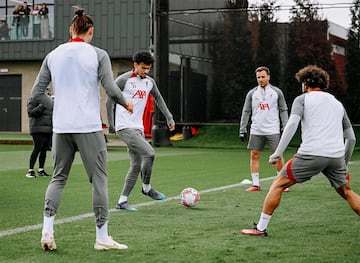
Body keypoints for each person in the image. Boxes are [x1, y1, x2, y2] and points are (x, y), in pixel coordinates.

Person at [31, 7, 133, 251]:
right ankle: (102, 237)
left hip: (62, 127)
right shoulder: (98, 54)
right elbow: (110, 88)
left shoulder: (53, 54)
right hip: (88, 126)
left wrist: (57, 106)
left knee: (58, 178)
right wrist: (125, 102)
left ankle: (47, 231)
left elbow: (36, 94)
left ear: (70, 30)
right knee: (99, 179)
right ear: (91, 31)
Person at [241, 65, 360, 237]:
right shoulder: (337, 103)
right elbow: (351, 138)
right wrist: (344, 163)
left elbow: (291, 125)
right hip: (335, 157)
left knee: (278, 184)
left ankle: (260, 228)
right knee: (347, 191)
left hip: (311, 154)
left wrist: (277, 152)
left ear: (305, 84)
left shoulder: (302, 99)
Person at [106, 51, 175, 211]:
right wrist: (111, 123)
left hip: (138, 128)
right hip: (124, 127)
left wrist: (169, 117)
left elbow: (158, 98)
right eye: (143, 68)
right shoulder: (123, 80)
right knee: (149, 153)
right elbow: (110, 100)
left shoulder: (149, 82)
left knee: (136, 164)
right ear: (135, 65)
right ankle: (146, 187)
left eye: (148, 68)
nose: (146, 71)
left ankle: (122, 201)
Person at [239, 66, 289, 192]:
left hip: (273, 129)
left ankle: (281, 184)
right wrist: (242, 129)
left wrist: (286, 126)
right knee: (254, 155)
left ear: (268, 77)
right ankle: (256, 184)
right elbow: (246, 111)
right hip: (256, 129)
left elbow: (283, 109)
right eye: (258, 77)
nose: (260, 79)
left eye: (263, 77)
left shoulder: (277, 92)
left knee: (277, 155)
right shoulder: (252, 93)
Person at [25, 91, 53, 178]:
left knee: (44, 150)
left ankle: (41, 169)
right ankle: (30, 170)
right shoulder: (33, 99)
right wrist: (43, 104)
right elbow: (31, 113)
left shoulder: (49, 102)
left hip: (47, 129)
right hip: (37, 129)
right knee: (37, 148)